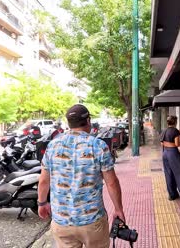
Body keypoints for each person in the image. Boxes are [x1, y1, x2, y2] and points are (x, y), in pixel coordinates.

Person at [37, 104, 125, 248]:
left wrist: (41, 203)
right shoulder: (98, 146)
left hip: (62, 221)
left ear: (68, 124)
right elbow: (112, 183)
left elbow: (44, 181)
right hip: (92, 221)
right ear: (88, 120)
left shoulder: (53, 146)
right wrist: (118, 209)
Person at [160, 116, 180, 201]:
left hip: (165, 154)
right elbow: (177, 144)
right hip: (172, 153)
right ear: (175, 122)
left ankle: (172, 195)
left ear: (167, 122)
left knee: (169, 174)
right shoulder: (175, 131)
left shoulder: (164, 130)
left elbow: (162, 144)